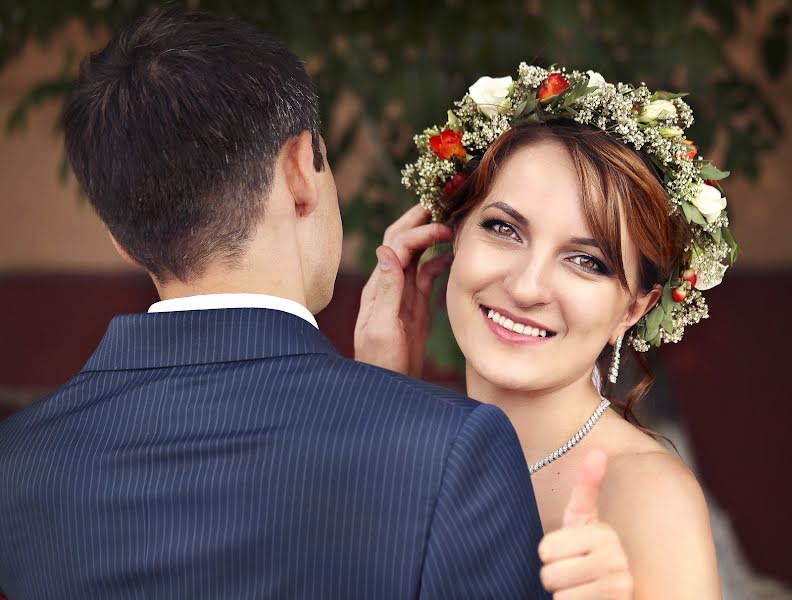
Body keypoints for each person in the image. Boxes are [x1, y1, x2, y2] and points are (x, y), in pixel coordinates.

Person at [0, 9, 554, 598]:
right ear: (299, 169)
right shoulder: (453, 446)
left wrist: (380, 397)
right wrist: (391, 414)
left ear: (120, 234)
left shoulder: (20, 461)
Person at [356, 65, 737, 597]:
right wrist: (380, 385)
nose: (529, 286)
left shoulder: (647, 496)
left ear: (634, 308)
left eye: (587, 261)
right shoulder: (397, 435)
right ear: (451, 237)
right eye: (503, 229)